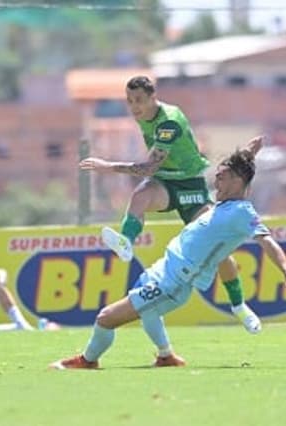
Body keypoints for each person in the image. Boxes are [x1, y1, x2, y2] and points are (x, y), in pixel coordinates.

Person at [52, 147, 286, 369]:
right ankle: (166, 357)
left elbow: (267, 241)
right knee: (148, 314)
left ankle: (88, 361)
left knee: (105, 318)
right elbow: (241, 170)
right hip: (163, 269)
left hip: (173, 283)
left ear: (236, 180)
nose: (216, 182)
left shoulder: (242, 212)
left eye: (221, 178)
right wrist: (249, 153)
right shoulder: (222, 204)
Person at [79, 75, 263, 333]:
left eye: (140, 101)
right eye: (130, 101)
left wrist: (108, 167)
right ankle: (126, 244)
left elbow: (148, 167)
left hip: (189, 185)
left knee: (220, 253)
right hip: (165, 181)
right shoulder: (145, 118)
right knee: (140, 198)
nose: (134, 107)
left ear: (153, 97)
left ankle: (239, 306)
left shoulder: (169, 122)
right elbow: (155, 170)